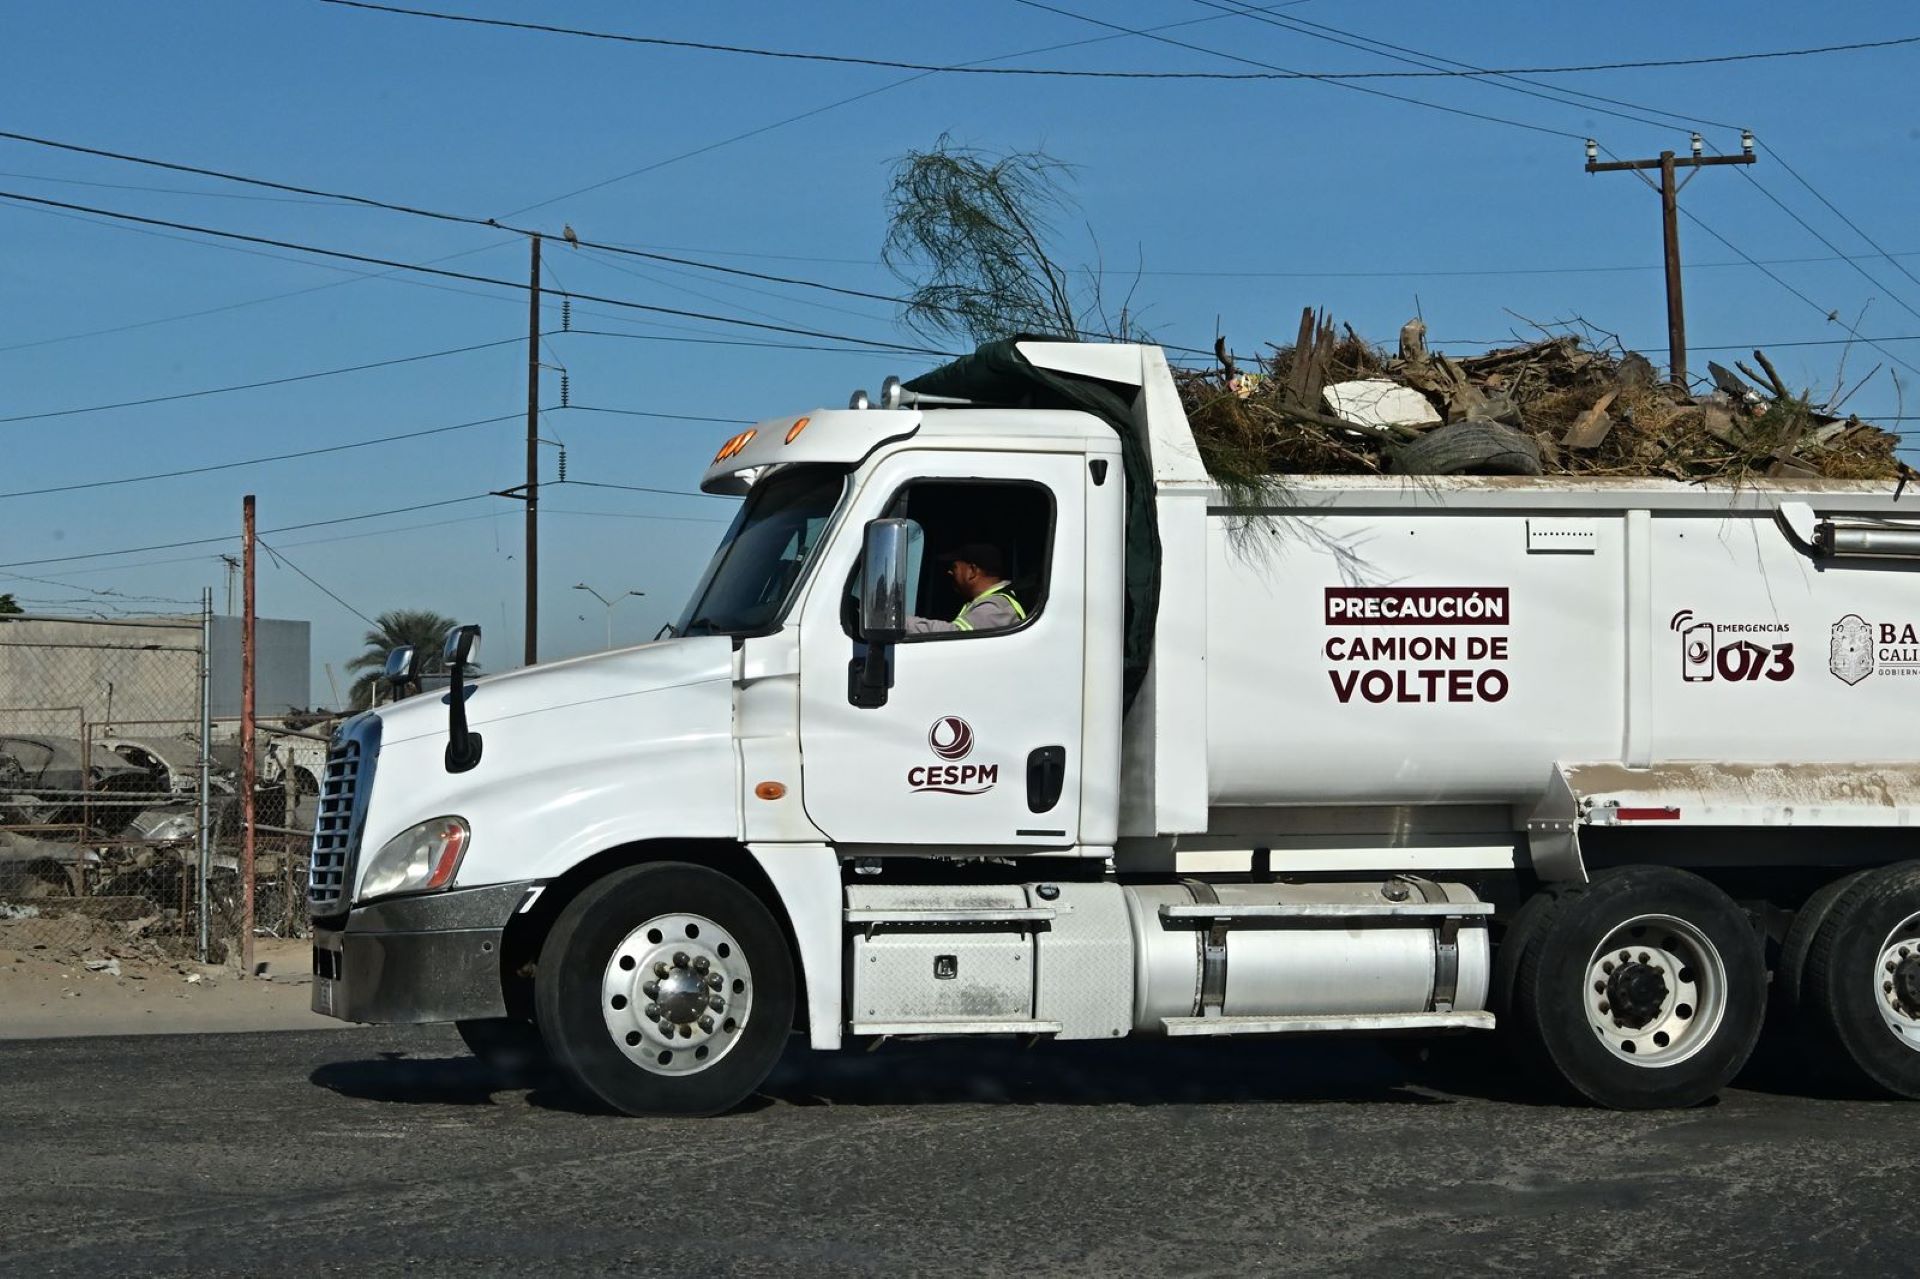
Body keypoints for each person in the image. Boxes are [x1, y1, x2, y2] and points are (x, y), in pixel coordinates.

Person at [906, 542, 1027, 634]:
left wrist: (901, 623)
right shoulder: (988, 601)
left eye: (954, 567)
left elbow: (955, 634)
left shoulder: (997, 606)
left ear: (972, 571)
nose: (949, 572)